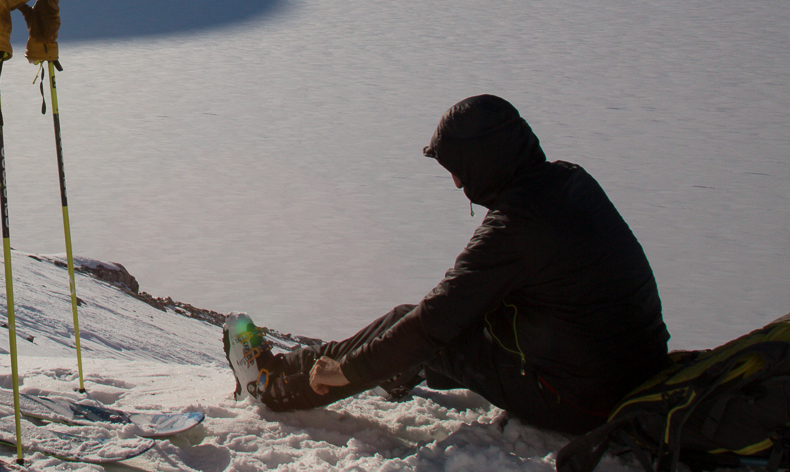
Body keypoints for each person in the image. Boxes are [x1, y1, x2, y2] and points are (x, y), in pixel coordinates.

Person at [227, 94, 669, 435]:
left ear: (484, 161)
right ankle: (386, 371)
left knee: (420, 327)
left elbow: (434, 322)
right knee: (443, 325)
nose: (456, 182)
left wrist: (349, 368)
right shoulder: (569, 180)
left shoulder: (516, 226)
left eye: (458, 168)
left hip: (580, 402)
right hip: (630, 374)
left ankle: (275, 387)